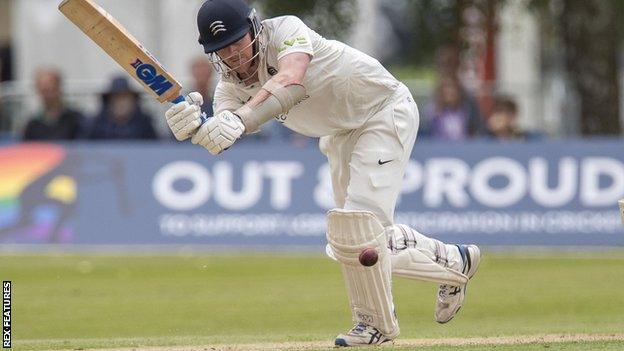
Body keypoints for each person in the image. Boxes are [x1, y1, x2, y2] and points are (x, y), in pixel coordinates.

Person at [164, 0, 481, 346]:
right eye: (222, 50)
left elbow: (291, 79)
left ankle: (375, 326)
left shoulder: (286, 31)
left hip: (382, 111)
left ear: (254, 28)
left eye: (237, 42)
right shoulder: (230, 87)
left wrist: (238, 119)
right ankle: (454, 260)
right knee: (348, 241)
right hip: (339, 133)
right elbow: (222, 135)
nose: (233, 55)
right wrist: (196, 128)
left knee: (360, 227)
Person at [22, 68, 85, 140]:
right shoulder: (33, 124)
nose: (47, 95)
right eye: (43, 90)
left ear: (59, 88)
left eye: (50, 89)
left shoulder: (75, 119)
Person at [87, 76, 157, 140]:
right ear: (108, 101)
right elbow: (83, 147)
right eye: (116, 98)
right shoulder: (95, 124)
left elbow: (157, 148)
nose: (121, 103)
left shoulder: (144, 124)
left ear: (133, 101)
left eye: (125, 98)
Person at [421, 75, 484, 140]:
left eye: (452, 89)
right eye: (446, 89)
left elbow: (472, 132)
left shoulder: (466, 110)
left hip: (461, 147)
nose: (449, 92)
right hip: (439, 146)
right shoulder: (433, 110)